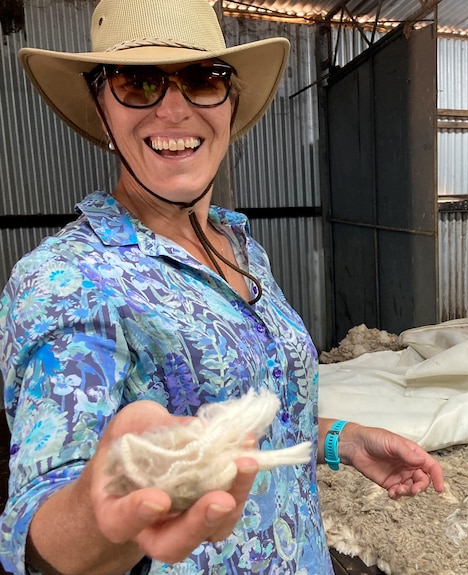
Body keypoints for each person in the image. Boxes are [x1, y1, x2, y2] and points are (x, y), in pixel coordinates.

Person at [0, 0, 444, 573]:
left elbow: (256, 420)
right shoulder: (69, 281)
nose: (174, 110)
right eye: (138, 84)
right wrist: (99, 514)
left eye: (202, 80)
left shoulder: (239, 247)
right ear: (101, 107)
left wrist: (344, 441)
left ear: (230, 102)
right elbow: (38, 532)